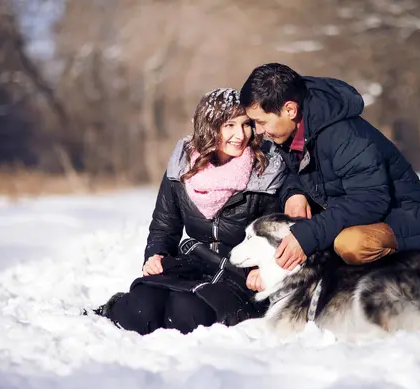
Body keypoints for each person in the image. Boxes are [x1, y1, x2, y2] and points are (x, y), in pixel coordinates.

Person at [93, 88, 286, 335]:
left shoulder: (266, 170)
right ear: (210, 126)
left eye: (246, 125)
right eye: (229, 125)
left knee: (185, 315)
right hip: (192, 261)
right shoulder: (182, 166)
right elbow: (165, 226)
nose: (240, 135)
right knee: (140, 310)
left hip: (240, 272)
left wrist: (264, 269)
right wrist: (156, 254)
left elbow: (278, 234)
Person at [239, 63, 420, 272]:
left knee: (351, 244)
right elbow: (298, 173)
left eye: (262, 122)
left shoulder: (346, 136)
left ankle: (405, 287)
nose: (258, 131)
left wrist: (309, 235)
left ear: (290, 110)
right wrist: (294, 193)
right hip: (367, 216)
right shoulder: (292, 131)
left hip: (412, 225)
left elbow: (370, 200)